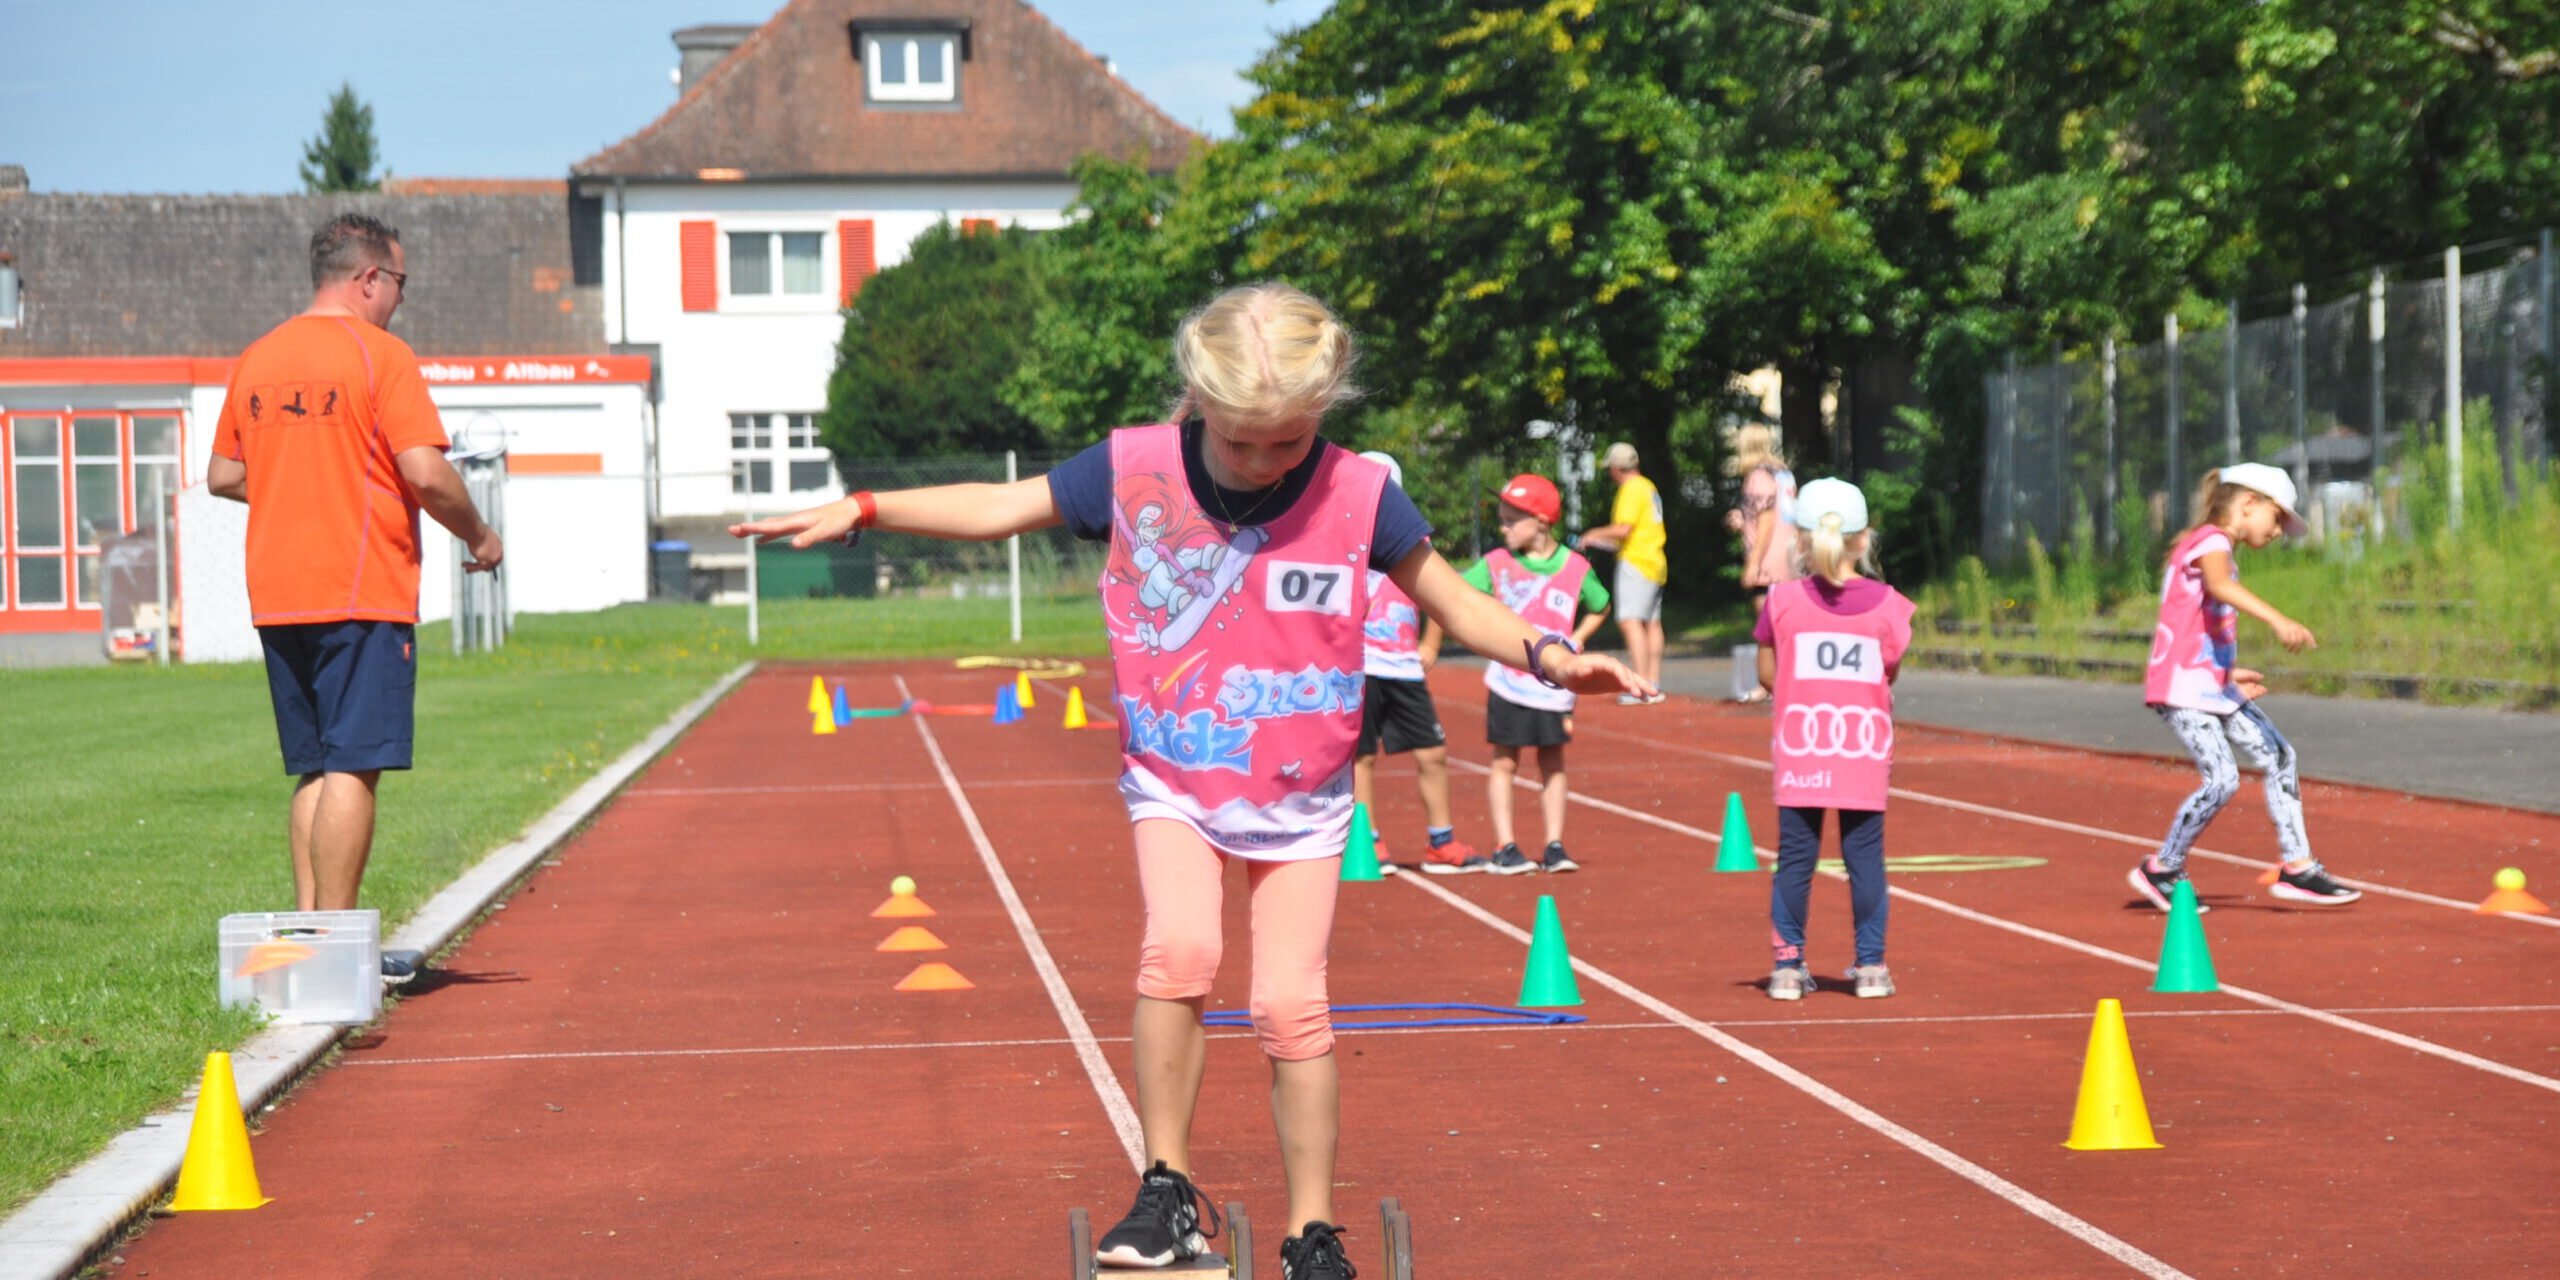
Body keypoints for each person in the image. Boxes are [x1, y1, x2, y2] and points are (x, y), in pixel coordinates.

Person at [732, 284, 1647, 1278]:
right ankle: (1164, 1190)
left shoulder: (1359, 492)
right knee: (1179, 949)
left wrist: (1555, 659)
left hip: (1301, 793)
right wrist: (867, 506)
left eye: (1287, 442)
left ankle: (1311, 1233)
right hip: (1175, 773)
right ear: (1198, 401)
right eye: (1240, 441)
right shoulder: (1135, 465)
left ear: (1324, 409)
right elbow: (1001, 506)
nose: (1262, 462)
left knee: (1289, 1005)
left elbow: (1458, 606)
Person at [205, 212, 504, 987]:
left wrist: (302, 483)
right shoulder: (380, 354)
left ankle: (307, 945)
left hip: (279, 592)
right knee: (355, 767)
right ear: (369, 278)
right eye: (400, 282)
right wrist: (480, 536)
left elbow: (224, 475)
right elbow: (427, 473)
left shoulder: (259, 356)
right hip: (360, 589)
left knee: (315, 768)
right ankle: (336, 956)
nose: (401, 298)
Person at [2131, 463, 2361, 910]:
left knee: (2279, 756)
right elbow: (2218, 586)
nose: (2277, 532)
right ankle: (2162, 868)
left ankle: (2298, 868)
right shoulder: (2211, 541)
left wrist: (2226, 671)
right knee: (2222, 779)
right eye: (2277, 519)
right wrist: (2278, 619)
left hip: (2208, 683)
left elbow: (2192, 623)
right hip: (2183, 689)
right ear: (2249, 504)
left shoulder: (2209, 545)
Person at [1755, 477, 1913, 1000]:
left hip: (1802, 749)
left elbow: (1767, 674)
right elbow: (1888, 671)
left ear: (1800, 540)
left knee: (1795, 860)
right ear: (1864, 540)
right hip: (1860, 750)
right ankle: (1871, 968)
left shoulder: (1780, 601)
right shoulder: (1890, 605)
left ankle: (1787, 967)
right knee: (1864, 860)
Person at [1462, 473, 1611, 875]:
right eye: (1502, 520)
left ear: (1542, 522)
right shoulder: (1496, 564)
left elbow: (1600, 605)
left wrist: (1577, 639)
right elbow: (1460, 597)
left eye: (1512, 521)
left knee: (1552, 760)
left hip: (1553, 686)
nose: (1503, 528)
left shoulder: (1575, 567)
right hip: (1507, 681)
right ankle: (1505, 845)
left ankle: (1554, 845)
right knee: (1504, 760)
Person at [1350, 450, 1484, 875]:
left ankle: (1442, 842)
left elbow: (1441, 598)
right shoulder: (1343, 539)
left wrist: (1430, 644)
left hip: (1403, 666)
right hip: (1360, 666)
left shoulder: (1412, 542)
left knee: (1432, 751)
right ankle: (1367, 841)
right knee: (1361, 757)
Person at [1577, 441, 1670, 704]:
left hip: (1636, 561)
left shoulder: (1631, 488)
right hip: (1655, 560)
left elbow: (1623, 529)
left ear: (1617, 468)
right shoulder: (1648, 486)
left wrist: (1592, 534)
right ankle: (1653, 681)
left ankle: (1640, 684)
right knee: (1651, 623)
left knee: (1630, 621)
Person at [1723, 424, 1797, 702]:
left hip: (1769, 561)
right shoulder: (1782, 472)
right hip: (1789, 557)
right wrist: (1743, 521)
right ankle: (1786, 678)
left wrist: (1753, 564)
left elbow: (1766, 523)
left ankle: (1769, 683)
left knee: (1768, 625)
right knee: (1783, 623)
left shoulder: (1758, 477)